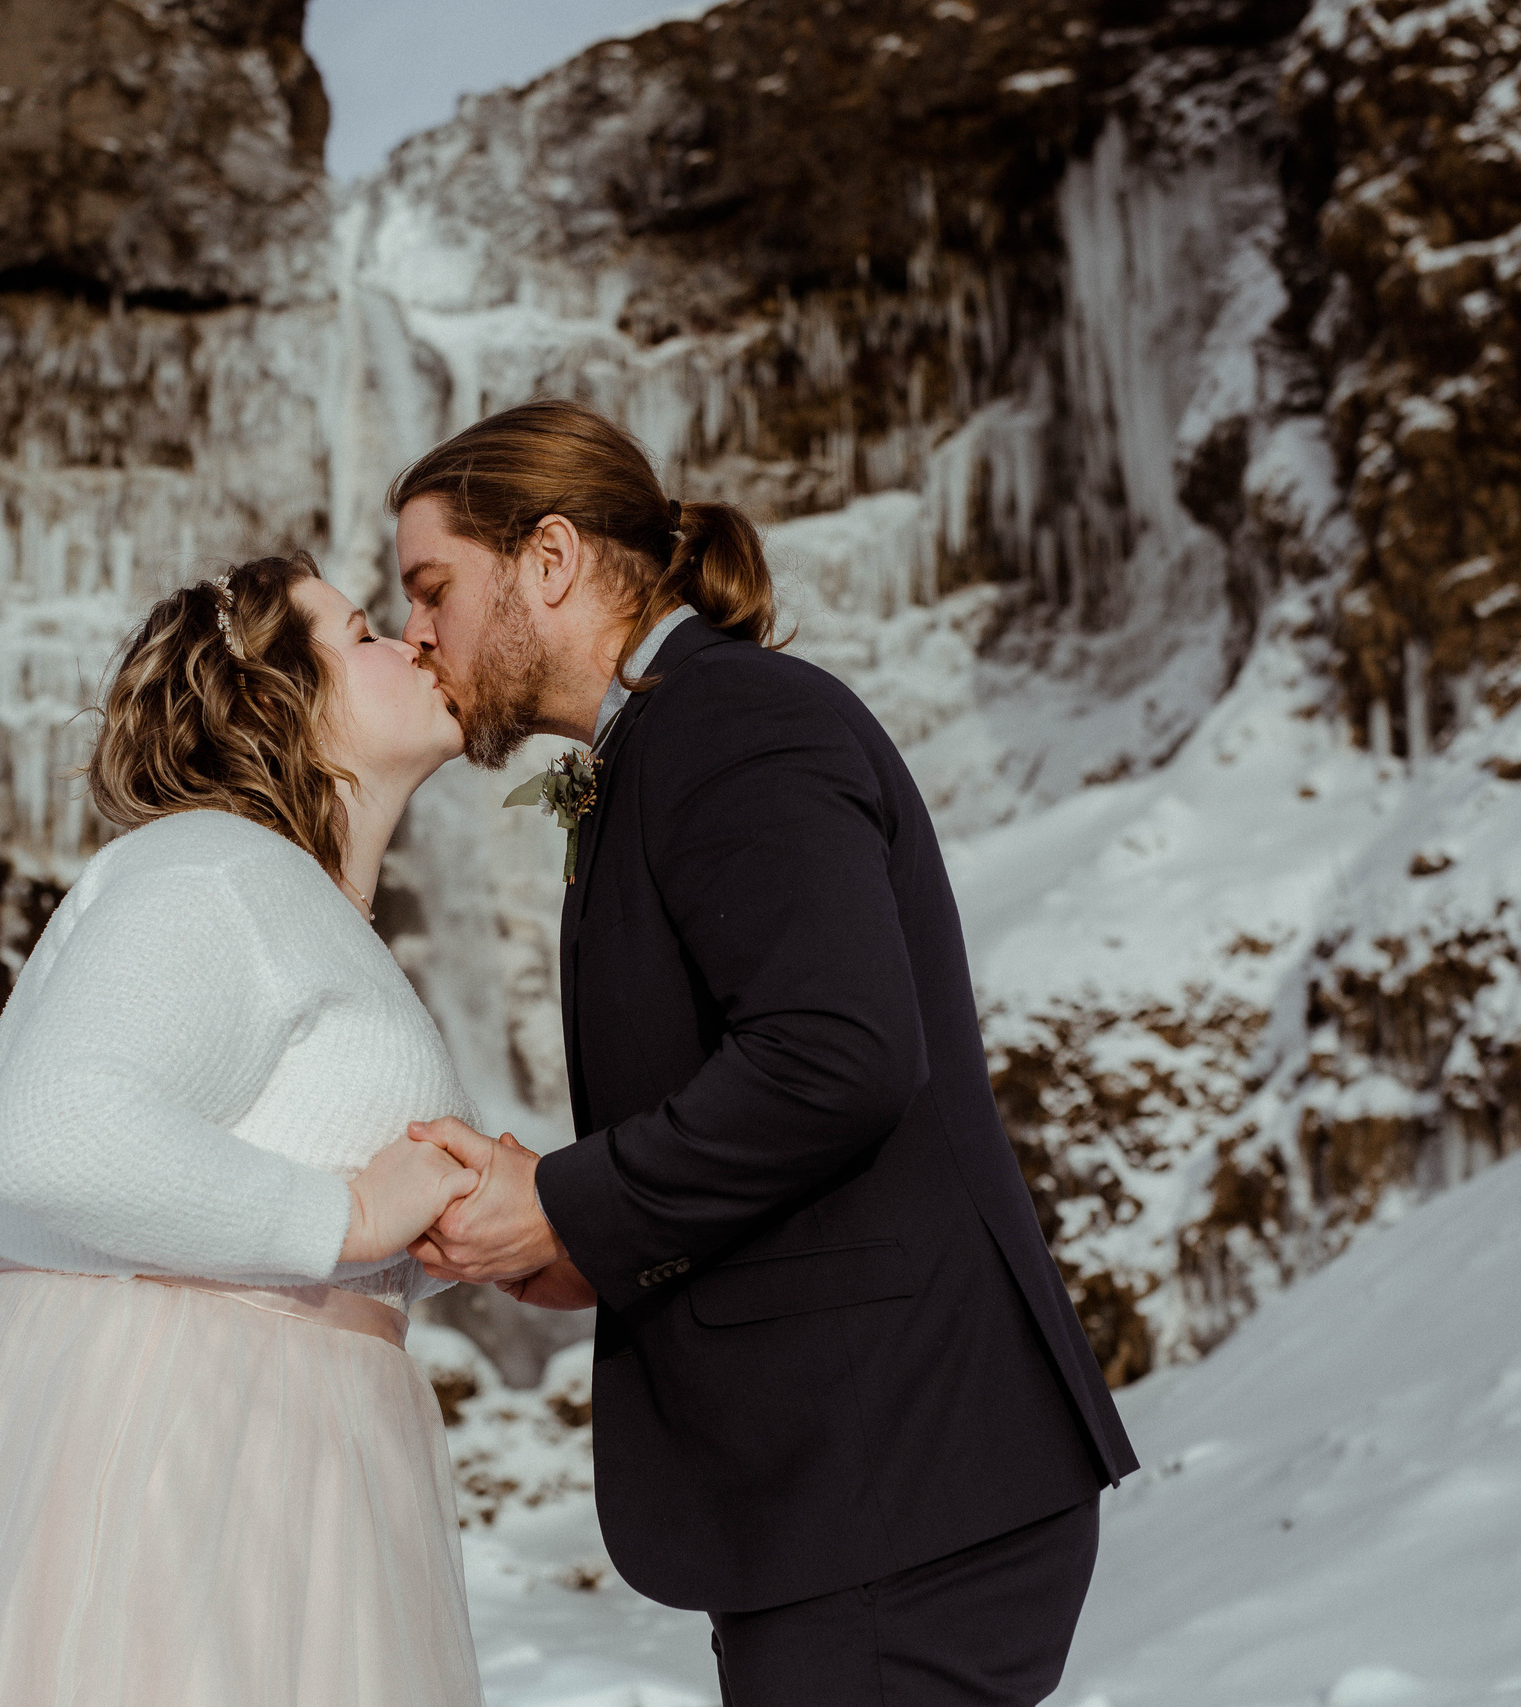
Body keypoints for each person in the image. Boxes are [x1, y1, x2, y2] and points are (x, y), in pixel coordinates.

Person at [391, 399, 1142, 1707]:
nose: (416, 632)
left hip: (895, 1488)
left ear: (550, 560)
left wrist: (565, 1197)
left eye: (432, 585)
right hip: (854, 1496)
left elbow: (837, 1053)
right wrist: (594, 1249)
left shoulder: (732, 723)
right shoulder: (669, 740)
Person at [0, 554, 487, 1707]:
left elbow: (265, 1180)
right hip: (182, 1463)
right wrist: (347, 1215)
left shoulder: (292, 902)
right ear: (277, 699)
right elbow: (59, 1137)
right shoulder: (212, 869)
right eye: (362, 632)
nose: (411, 641)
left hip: (282, 1456)